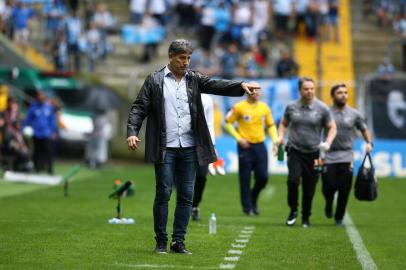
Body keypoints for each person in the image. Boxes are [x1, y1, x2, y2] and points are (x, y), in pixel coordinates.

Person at [126, 39, 259, 254]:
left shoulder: (194, 79)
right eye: (181, 58)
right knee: (164, 193)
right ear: (170, 56)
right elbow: (139, 107)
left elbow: (216, 84)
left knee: (187, 195)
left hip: (189, 147)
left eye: (188, 58)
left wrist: (240, 86)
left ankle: (178, 241)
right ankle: (161, 240)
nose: (186, 62)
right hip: (165, 147)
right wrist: (132, 133)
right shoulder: (154, 80)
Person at [276, 77, 337, 228]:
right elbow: (283, 124)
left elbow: (332, 127)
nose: (309, 91)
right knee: (293, 181)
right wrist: (280, 137)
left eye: (311, 88)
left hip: (315, 153)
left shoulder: (322, 108)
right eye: (306, 89)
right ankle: (293, 210)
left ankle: (306, 216)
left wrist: (328, 142)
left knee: (310, 187)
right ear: (300, 90)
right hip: (295, 151)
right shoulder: (291, 107)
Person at [322, 84, 373, 226]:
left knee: (345, 188)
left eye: (345, 92)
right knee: (328, 186)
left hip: (346, 155)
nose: (343, 95)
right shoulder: (325, 112)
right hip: (328, 155)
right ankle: (328, 201)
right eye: (339, 92)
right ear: (333, 96)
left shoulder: (354, 113)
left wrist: (369, 142)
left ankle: (339, 216)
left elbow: (364, 129)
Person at [224, 88, 278, 216]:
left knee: (263, 177)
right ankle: (247, 208)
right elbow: (228, 124)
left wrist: (275, 140)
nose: (258, 93)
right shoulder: (238, 107)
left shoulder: (264, 108)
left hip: (260, 145)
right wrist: (239, 139)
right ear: (248, 92)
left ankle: (253, 197)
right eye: (255, 90)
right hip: (245, 146)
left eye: (259, 90)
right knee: (245, 178)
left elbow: (271, 125)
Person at [191, 93, 220, 221]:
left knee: (201, 176)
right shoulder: (180, 94)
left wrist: (212, 145)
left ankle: (195, 205)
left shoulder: (207, 98)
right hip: (183, 143)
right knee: (184, 178)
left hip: (202, 144)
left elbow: (210, 123)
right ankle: (185, 207)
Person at [23, 91, 58, 175]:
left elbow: (52, 121)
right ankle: (37, 168)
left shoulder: (49, 108)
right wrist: (24, 128)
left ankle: (49, 169)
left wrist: (54, 131)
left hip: (46, 133)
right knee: (37, 151)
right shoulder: (33, 108)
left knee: (48, 151)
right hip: (36, 133)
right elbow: (28, 119)